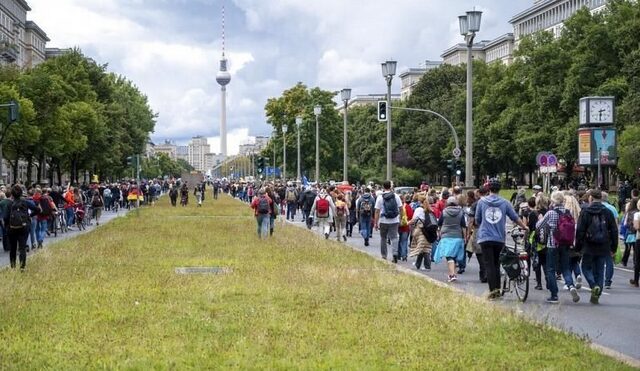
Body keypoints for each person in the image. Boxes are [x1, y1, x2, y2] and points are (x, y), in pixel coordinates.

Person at [475, 178, 528, 299]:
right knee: (497, 264)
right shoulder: (505, 203)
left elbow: (477, 219)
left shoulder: (482, 202)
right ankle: (497, 290)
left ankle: (493, 292)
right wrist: (524, 227)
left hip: (485, 237)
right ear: (500, 189)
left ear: (488, 189)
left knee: (489, 265)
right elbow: (515, 217)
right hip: (499, 238)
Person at [535, 191, 580, 304]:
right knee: (565, 267)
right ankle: (570, 285)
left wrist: (540, 218)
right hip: (565, 244)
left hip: (552, 244)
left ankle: (554, 295)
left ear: (553, 200)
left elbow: (539, 226)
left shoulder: (551, 213)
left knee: (551, 269)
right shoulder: (567, 212)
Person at [575, 189, 618, 304]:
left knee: (586, 268)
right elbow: (614, 230)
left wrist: (578, 247)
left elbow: (580, 231)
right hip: (603, 245)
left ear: (591, 198)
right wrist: (614, 247)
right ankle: (596, 295)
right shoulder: (607, 212)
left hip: (588, 245)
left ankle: (593, 286)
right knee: (599, 270)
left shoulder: (585, 212)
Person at [6, 185, 39, 270]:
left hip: (12, 228)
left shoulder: (9, 203)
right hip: (24, 227)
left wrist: (7, 227)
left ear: (12, 194)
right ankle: (22, 268)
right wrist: (29, 216)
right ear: (21, 193)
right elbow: (38, 210)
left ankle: (13, 267)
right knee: (22, 248)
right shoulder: (26, 202)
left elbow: (5, 217)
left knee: (13, 248)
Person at [434, 196, 467, 282]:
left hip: (446, 236)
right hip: (458, 236)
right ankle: (452, 274)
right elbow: (463, 226)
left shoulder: (444, 212)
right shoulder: (461, 212)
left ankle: (452, 275)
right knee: (453, 256)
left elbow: (439, 224)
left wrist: (439, 233)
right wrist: (465, 237)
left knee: (449, 256)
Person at [374, 180, 403, 262]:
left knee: (383, 238)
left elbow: (377, 211)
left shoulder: (380, 197)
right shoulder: (396, 196)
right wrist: (400, 218)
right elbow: (401, 208)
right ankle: (395, 254)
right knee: (394, 237)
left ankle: (384, 256)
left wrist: (376, 223)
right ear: (391, 187)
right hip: (394, 220)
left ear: (383, 187)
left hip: (383, 220)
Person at [466, 188, 487, 283]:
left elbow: (470, 221)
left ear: (479, 194)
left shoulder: (475, 205)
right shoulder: (491, 203)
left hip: (478, 229)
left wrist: (468, 233)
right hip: (491, 230)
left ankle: (483, 272)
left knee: (479, 252)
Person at [408, 196, 433, 271]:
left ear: (419, 201)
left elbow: (414, 219)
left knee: (424, 248)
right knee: (423, 247)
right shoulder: (429, 209)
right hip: (428, 230)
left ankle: (427, 266)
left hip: (420, 230)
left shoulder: (419, 209)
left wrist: (407, 223)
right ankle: (418, 264)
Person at [601, 192, 618, 289]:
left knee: (597, 259)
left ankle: (597, 279)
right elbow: (615, 226)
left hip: (597, 236)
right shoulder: (612, 209)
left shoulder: (596, 207)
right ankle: (607, 281)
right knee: (609, 260)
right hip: (609, 237)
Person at [398, 195, 414, 261]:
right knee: (404, 241)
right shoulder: (407, 207)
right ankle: (404, 255)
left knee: (398, 241)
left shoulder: (396, 207)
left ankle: (398, 254)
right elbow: (411, 216)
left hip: (397, 226)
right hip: (406, 226)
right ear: (404, 200)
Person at [631, 199, 640, 287]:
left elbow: (636, 226)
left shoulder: (637, 214)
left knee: (638, 260)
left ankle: (636, 280)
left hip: (639, 238)